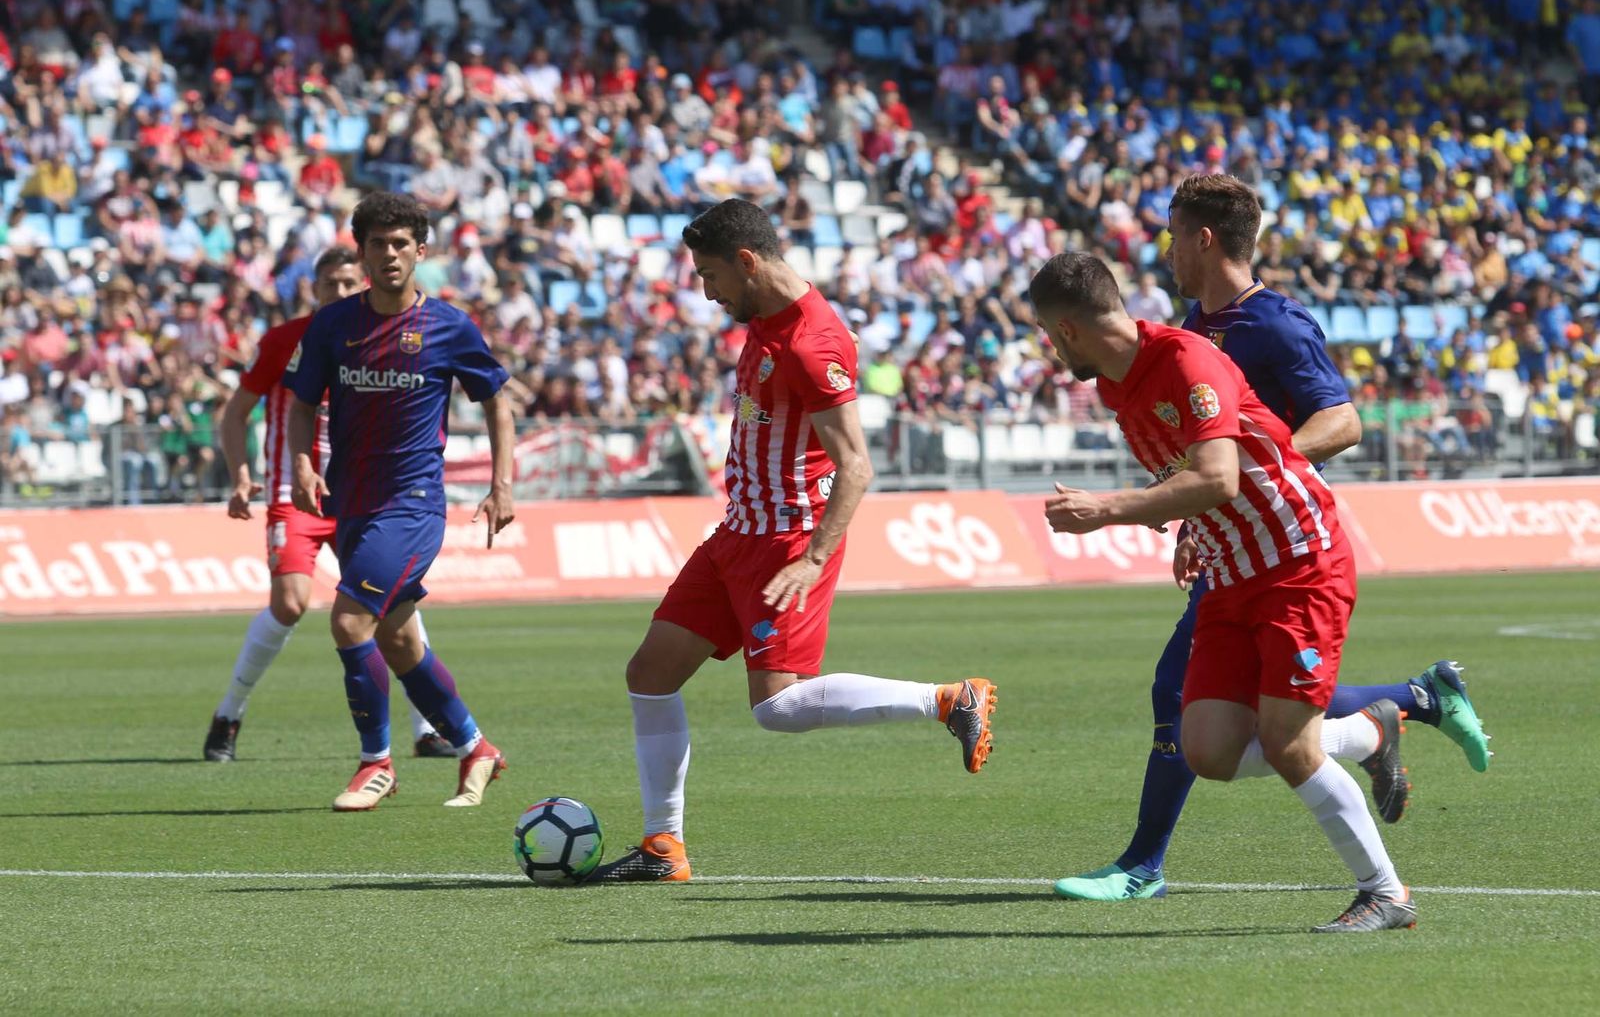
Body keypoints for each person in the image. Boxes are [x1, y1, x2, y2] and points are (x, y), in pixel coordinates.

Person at [1052, 175, 1490, 904]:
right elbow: (1201, 453)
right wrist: (1200, 512)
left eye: (1171, 233)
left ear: (1204, 238)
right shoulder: (1187, 332)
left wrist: (1258, 474)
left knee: (1210, 701)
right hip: (1232, 541)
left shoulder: (1277, 325)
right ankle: (1397, 710)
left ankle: (1144, 863)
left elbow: (1342, 420)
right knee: (1223, 721)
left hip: (1285, 538)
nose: (1164, 250)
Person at [588, 199, 997, 884]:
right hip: (736, 532)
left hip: (786, 540)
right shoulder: (765, 318)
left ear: (747, 262)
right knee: (649, 674)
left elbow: (857, 465)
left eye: (711, 275)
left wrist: (811, 559)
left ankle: (949, 698)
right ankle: (664, 847)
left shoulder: (813, 341)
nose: (706, 290)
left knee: (778, 707)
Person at [1034, 252, 1415, 933]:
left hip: (1298, 559)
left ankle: (1385, 892)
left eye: (1045, 335)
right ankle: (1367, 728)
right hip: (1232, 571)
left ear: (1066, 331)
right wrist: (1178, 520)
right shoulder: (1121, 384)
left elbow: (1219, 477)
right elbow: (1196, 474)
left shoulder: (1185, 360)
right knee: (1205, 749)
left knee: (1289, 743)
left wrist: (1111, 508)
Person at [285, 192, 515, 811]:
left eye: (399, 243)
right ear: (360, 251)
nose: (388, 254)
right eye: (376, 244)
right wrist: (304, 462)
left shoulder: (447, 326)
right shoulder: (333, 325)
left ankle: (375, 762)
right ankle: (475, 748)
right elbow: (302, 402)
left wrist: (502, 483)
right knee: (400, 642)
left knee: (348, 620)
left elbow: (494, 397)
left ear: (421, 250)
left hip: (413, 505)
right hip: (351, 503)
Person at [203, 246, 453, 763]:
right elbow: (236, 414)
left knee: (394, 602)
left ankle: (427, 729)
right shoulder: (283, 341)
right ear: (312, 288)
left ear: (360, 284)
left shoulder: (378, 334)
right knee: (291, 602)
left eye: (346, 284)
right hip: (295, 494)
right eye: (328, 285)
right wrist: (240, 475)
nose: (338, 293)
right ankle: (229, 715)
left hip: (362, 492)